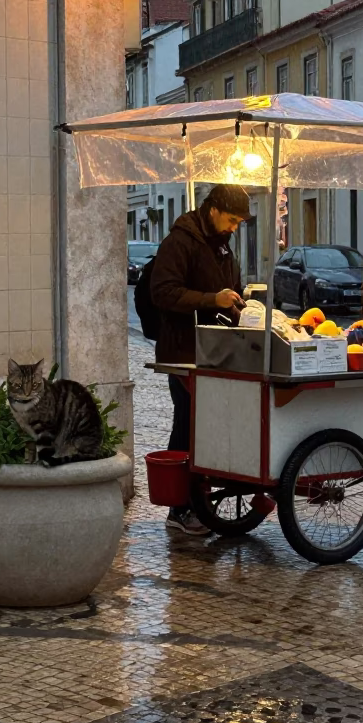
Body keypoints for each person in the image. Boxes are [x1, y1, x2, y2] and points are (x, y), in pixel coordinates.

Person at [150, 184, 250, 534]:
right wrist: (212, 299)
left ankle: (200, 500)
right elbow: (162, 292)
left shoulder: (222, 242)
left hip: (216, 350)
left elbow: (229, 285)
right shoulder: (180, 241)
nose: (234, 227)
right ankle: (178, 509)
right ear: (213, 209)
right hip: (183, 352)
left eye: (238, 223)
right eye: (232, 219)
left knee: (207, 425)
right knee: (188, 423)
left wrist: (240, 303)